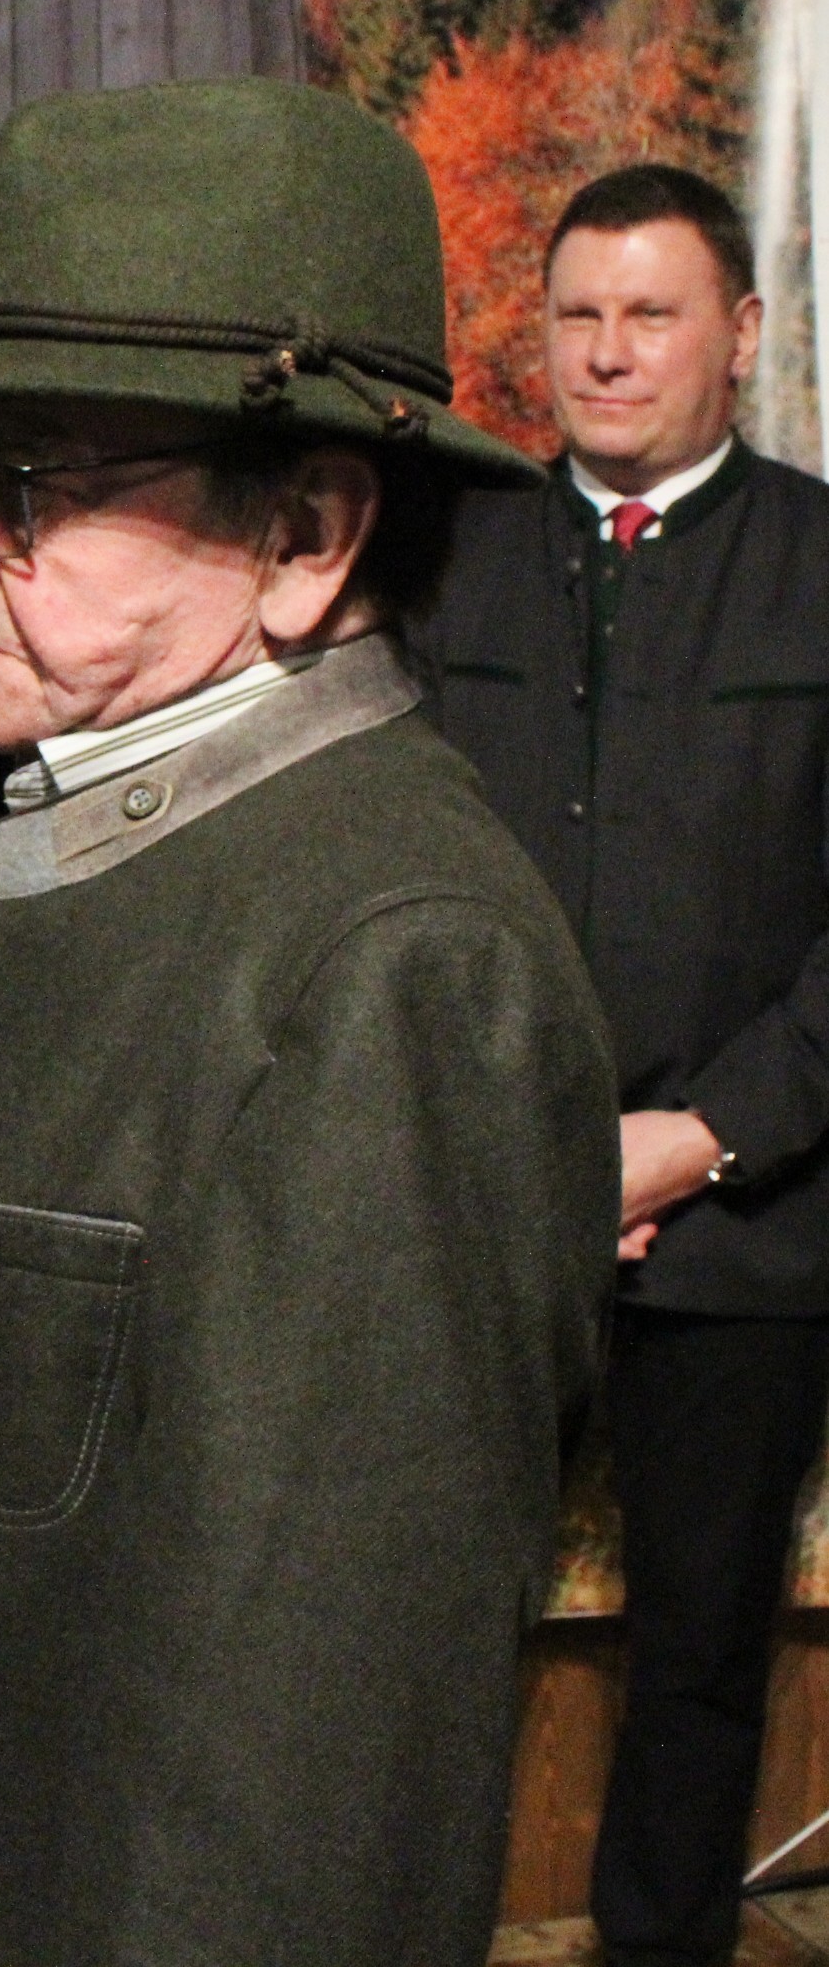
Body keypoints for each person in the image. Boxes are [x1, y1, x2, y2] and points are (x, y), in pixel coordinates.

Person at [0, 77, 618, 1967]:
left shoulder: (399, 971)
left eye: (25, 491)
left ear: (303, 533)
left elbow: (301, 1817)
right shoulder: (39, 817)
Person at [425, 165, 825, 1967]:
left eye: (647, 315)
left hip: (746, 1223)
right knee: (409, 1628)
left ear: (737, 334)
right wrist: (520, 1139)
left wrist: (698, 1136)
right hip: (469, 1199)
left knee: (697, 1659)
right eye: (574, 314)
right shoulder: (447, 556)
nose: (603, 351)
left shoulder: (820, 562)